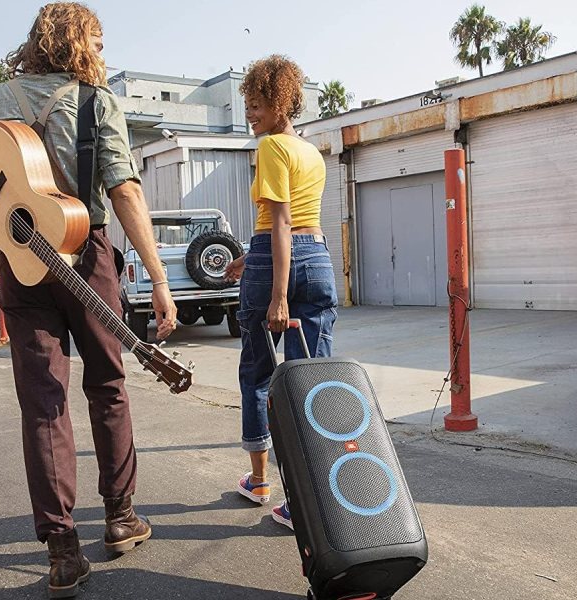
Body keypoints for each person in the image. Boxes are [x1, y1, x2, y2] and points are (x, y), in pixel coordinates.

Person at [0, 3, 178, 597]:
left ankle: (62, 550)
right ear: (79, 42)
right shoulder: (94, 101)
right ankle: (119, 518)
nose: (103, 53)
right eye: (99, 41)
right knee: (107, 385)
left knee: (43, 402)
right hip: (86, 254)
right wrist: (159, 277)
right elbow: (125, 190)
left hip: (17, 263)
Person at [224, 55, 338, 531]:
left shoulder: (271, 147)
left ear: (280, 103)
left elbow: (282, 222)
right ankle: (312, 497)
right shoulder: (311, 151)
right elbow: (301, 226)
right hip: (317, 260)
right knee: (312, 381)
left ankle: (261, 482)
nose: (250, 114)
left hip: (281, 264)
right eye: (247, 105)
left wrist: (277, 295)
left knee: (259, 375)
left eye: (257, 104)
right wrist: (248, 256)